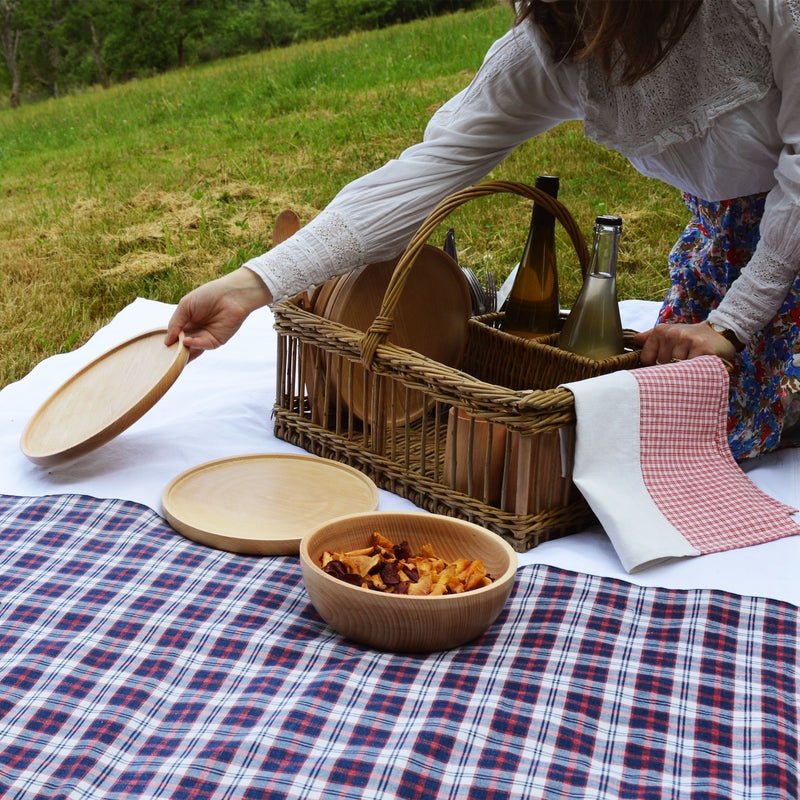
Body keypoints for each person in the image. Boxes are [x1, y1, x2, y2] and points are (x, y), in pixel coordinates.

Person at [165, 0, 800, 461]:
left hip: (781, 247)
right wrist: (253, 285)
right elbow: (424, 174)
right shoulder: (555, 44)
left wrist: (734, 321)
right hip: (733, 249)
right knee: (670, 431)